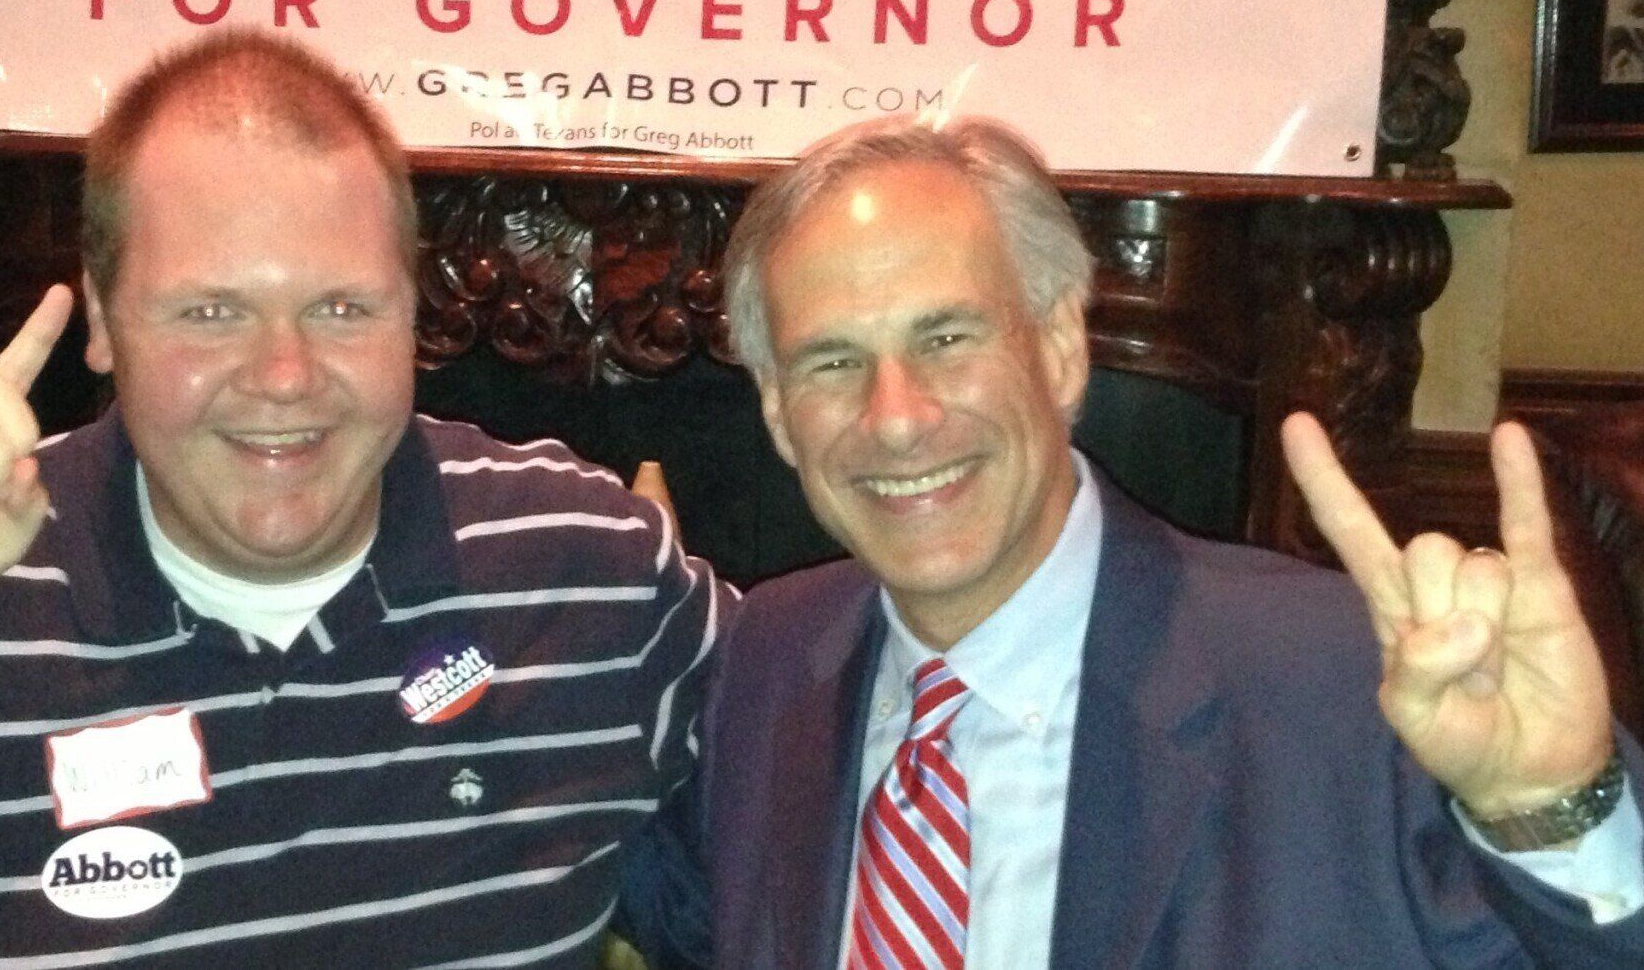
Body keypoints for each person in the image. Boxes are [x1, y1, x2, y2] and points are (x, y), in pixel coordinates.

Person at [0, 30, 724, 969]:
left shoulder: (591, 570)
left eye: (341, 307)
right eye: (211, 311)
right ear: (103, 316)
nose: (284, 375)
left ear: (410, 312)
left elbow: (815, 793)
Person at [695, 114, 1644, 968]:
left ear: (1061, 349)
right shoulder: (767, 658)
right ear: (778, 411)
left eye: (947, 338)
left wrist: (1557, 809)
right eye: (832, 360)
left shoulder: (1348, 680)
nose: (897, 417)